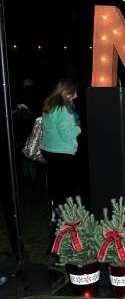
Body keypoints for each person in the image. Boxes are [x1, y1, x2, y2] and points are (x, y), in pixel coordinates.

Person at [40, 79, 81, 251]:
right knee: (67, 201)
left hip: (51, 154)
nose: (76, 96)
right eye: (73, 93)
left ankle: (56, 242)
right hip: (63, 157)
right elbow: (66, 135)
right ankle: (61, 244)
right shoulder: (63, 109)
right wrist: (78, 127)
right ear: (66, 93)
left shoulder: (48, 106)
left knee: (58, 200)